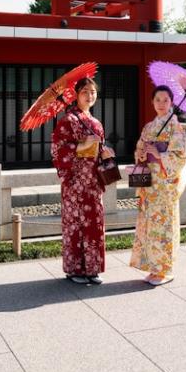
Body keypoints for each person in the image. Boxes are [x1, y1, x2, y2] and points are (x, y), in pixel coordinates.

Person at [51, 77, 114, 284]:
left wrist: (104, 153)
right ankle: (75, 270)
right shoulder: (68, 121)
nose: (90, 96)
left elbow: (97, 151)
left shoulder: (96, 123)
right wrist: (83, 145)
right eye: (85, 91)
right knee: (76, 225)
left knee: (94, 224)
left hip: (93, 181)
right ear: (76, 95)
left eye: (93, 92)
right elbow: (58, 150)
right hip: (75, 181)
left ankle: (92, 269)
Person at [130, 84, 186, 285]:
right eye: (157, 100)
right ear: (152, 103)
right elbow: (139, 150)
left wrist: (159, 154)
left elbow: (181, 156)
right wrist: (142, 153)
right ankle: (153, 268)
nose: (161, 104)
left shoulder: (175, 127)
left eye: (165, 100)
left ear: (171, 102)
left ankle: (165, 270)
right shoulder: (149, 127)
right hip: (149, 183)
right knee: (149, 225)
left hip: (165, 183)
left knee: (164, 226)